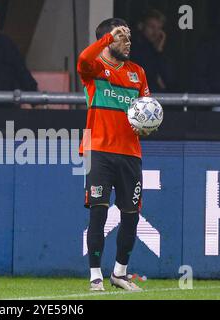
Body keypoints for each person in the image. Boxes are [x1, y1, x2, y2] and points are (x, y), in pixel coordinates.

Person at [77, 18, 151, 292]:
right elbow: (84, 57)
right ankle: (95, 275)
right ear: (107, 40)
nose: (128, 42)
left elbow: (147, 107)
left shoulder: (137, 73)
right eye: (122, 37)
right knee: (98, 212)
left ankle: (120, 273)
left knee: (131, 214)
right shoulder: (94, 69)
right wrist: (108, 38)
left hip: (130, 152)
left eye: (129, 37)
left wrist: (147, 124)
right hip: (97, 150)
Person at [131, 9, 175, 92]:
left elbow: (168, 80)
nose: (156, 32)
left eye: (159, 28)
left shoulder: (158, 49)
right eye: (152, 27)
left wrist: (159, 50)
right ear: (141, 26)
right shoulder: (132, 47)